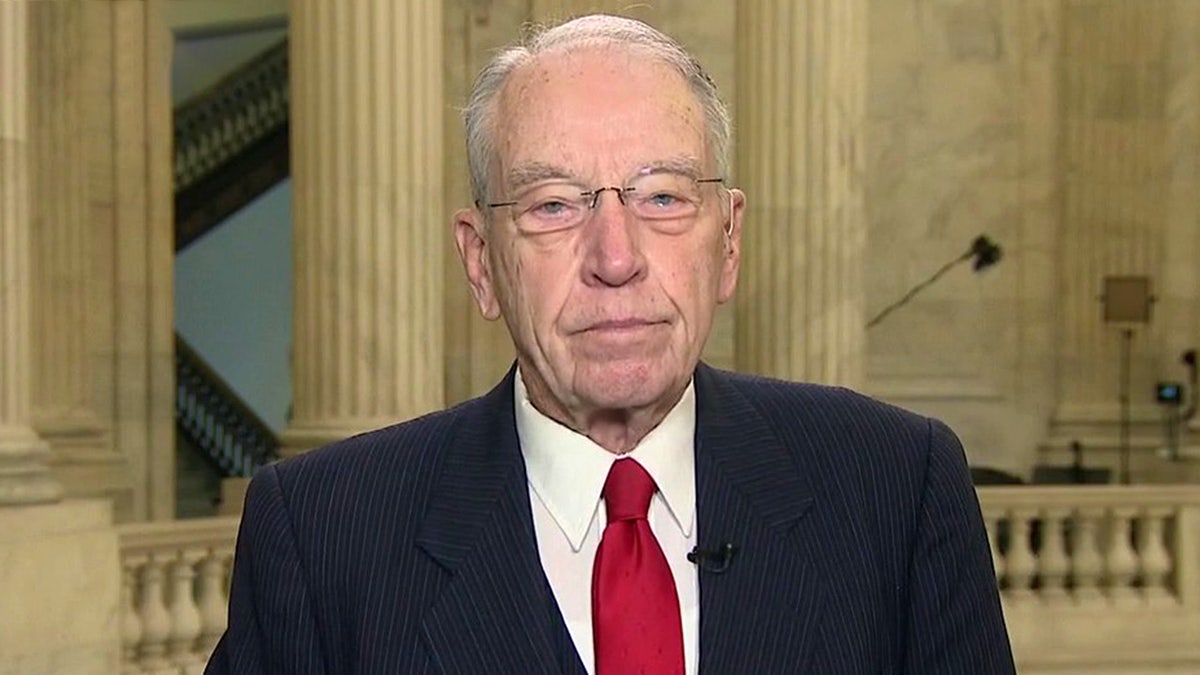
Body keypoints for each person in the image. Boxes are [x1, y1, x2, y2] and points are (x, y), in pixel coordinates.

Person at [206, 14, 1015, 675]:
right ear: (481, 261)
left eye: (663, 196)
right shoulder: (320, 536)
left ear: (727, 241)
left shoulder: (898, 489)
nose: (616, 257)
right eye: (554, 205)